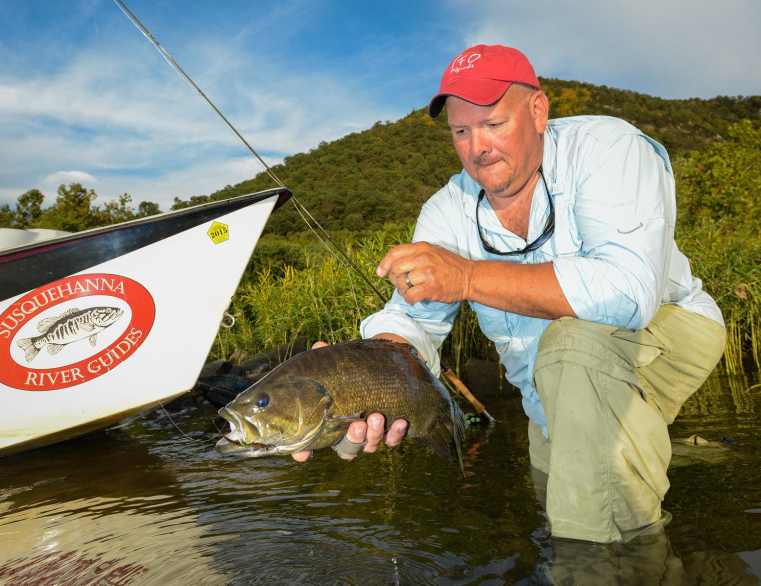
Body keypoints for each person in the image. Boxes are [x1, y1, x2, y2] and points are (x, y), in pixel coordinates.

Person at [294, 44, 726, 544]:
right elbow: (416, 319)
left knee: (591, 532)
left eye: (494, 124)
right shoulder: (446, 209)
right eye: (461, 131)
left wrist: (469, 277)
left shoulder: (609, 148)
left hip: (670, 329)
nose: (478, 146)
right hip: (547, 393)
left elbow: (627, 294)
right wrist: (359, 370)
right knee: (563, 507)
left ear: (538, 111)